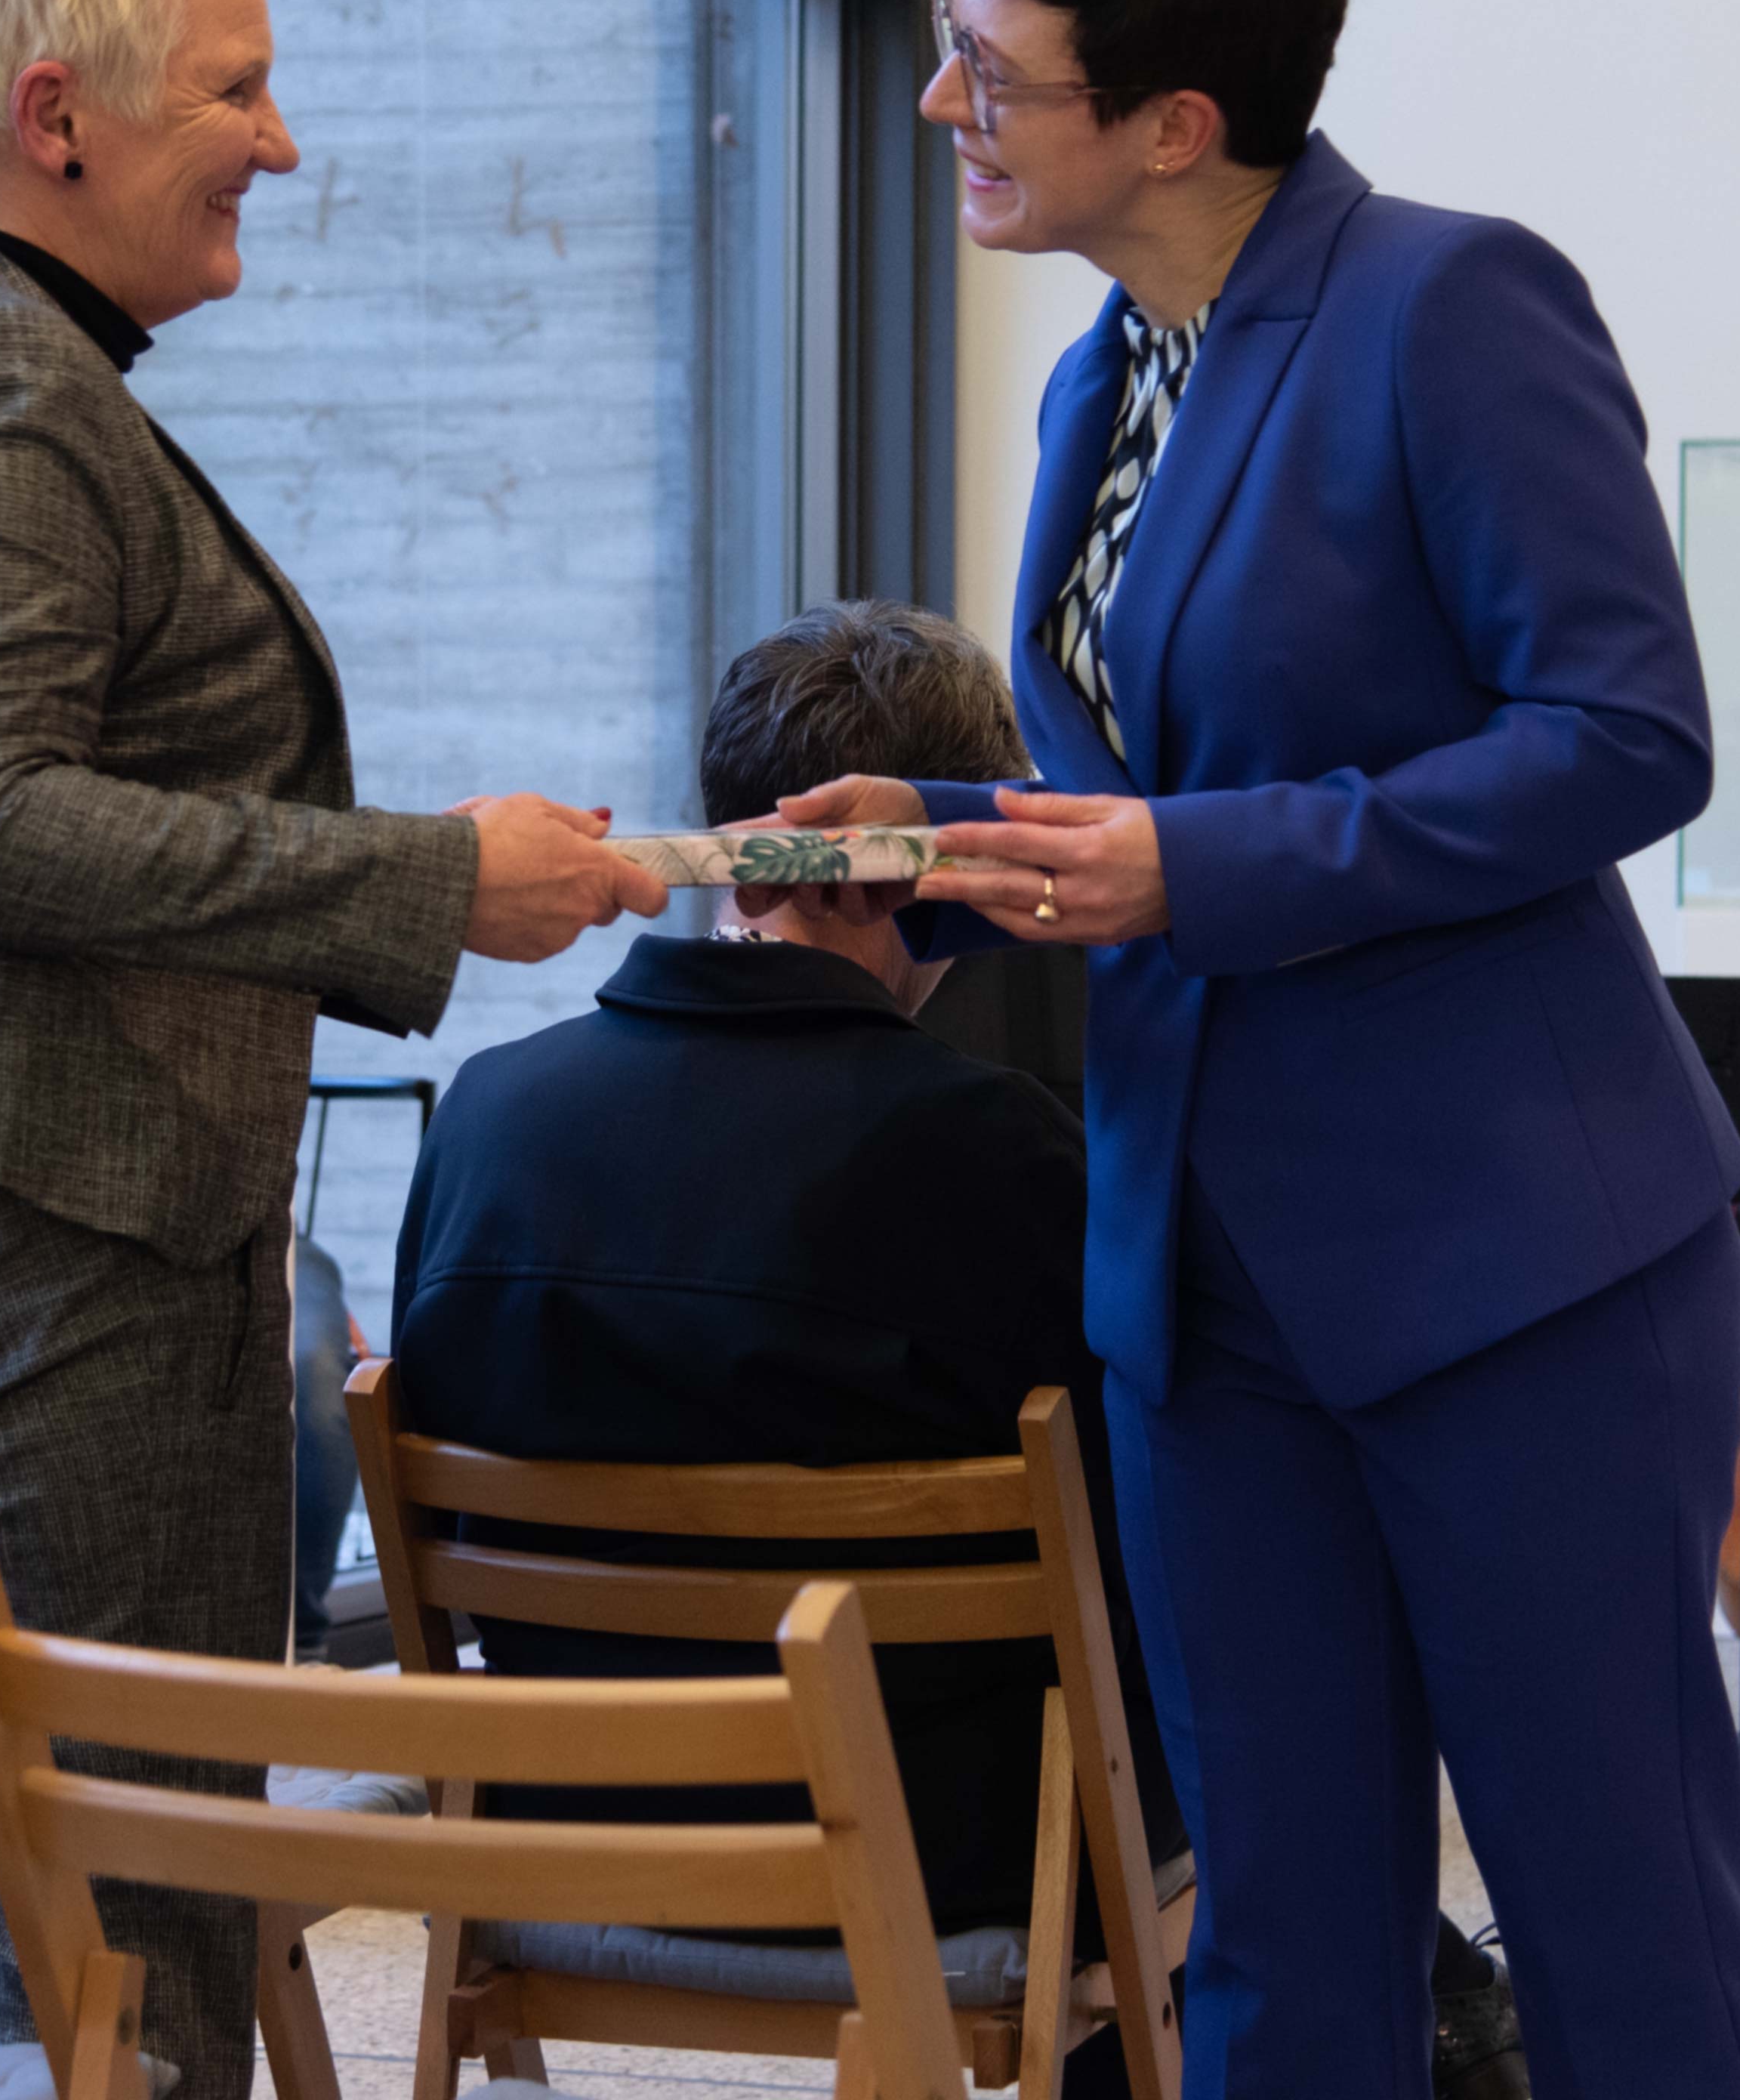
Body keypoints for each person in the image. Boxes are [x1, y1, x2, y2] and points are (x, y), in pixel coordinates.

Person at [767, 0, 1740, 2098]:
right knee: (1272, 1951)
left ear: (1173, 120)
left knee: (1618, 1930)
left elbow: (1627, 734)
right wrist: (929, 834)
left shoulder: (1451, 306)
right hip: (1201, 1286)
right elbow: (1163, 792)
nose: (939, 102)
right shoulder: (1104, 377)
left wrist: (1193, 863)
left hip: (1511, 1268)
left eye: (987, 68)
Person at [0, 0, 663, 2100]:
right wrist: (425, 881)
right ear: (55, 114)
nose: (281, 138)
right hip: (44, 1244)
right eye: (235, 89)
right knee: (128, 1935)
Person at [401, 601, 1529, 2100]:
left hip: (559, 1824)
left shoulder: (487, 1117)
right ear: (934, 851)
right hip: (944, 1855)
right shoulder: (1002, 1155)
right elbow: (1145, 1558)